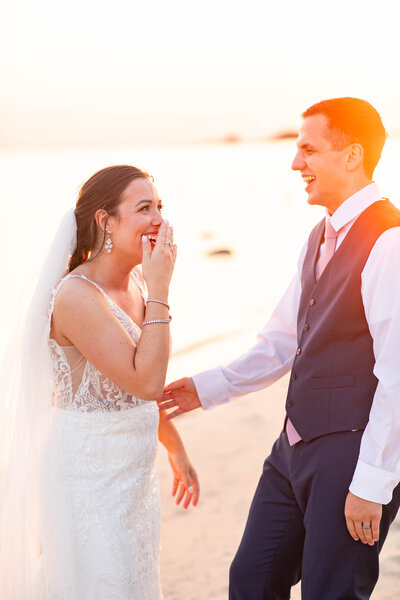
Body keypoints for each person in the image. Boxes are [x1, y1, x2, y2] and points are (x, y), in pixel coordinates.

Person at [158, 98, 400, 599]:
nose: (296, 164)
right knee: (251, 581)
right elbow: (281, 343)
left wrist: (372, 484)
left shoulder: (390, 241)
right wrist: (202, 389)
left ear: (352, 155)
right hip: (291, 449)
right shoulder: (318, 236)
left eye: (308, 150)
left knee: (330, 592)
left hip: (352, 456)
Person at [0, 165, 199, 599]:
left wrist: (175, 446)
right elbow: (146, 382)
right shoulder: (75, 295)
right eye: (143, 208)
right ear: (104, 220)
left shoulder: (137, 287)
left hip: (134, 485)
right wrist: (162, 288)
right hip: (88, 484)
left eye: (160, 207)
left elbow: (127, 391)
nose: (158, 220)